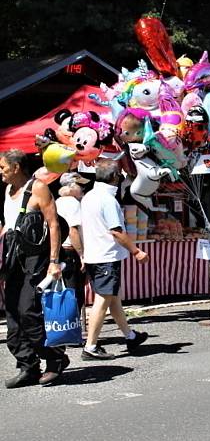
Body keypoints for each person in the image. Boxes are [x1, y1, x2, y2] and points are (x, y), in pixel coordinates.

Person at [0, 150, 68, 387]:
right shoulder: (6, 191)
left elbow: (53, 224)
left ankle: (55, 359)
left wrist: (53, 262)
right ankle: (27, 365)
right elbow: (7, 226)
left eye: (3, 167)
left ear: (16, 167)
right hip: (12, 258)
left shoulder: (37, 188)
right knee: (12, 312)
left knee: (28, 310)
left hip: (35, 259)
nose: (0, 172)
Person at [81, 159, 150, 360]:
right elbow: (117, 232)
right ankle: (91, 347)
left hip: (96, 254)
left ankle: (130, 336)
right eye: (119, 175)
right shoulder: (107, 200)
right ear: (114, 177)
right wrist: (136, 251)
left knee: (112, 299)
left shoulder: (89, 196)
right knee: (103, 301)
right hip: (106, 255)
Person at [56, 172, 91, 318]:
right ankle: (72, 329)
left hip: (59, 250)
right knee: (74, 293)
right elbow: (73, 230)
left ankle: (67, 326)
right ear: (71, 187)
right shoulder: (72, 203)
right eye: (79, 185)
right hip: (70, 251)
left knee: (64, 291)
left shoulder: (57, 202)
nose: (82, 189)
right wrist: (82, 255)